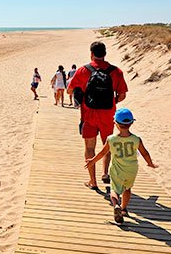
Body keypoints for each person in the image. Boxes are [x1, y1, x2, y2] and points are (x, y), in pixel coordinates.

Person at [67, 41, 128, 189]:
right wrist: (111, 102)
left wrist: (82, 95)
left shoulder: (83, 71)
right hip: (108, 115)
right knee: (107, 145)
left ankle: (92, 181)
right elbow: (122, 95)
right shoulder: (116, 71)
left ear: (91, 54)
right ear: (105, 54)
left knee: (89, 148)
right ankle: (105, 173)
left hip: (88, 115)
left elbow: (69, 91)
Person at [85, 108, 156, 224]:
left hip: (117, 169)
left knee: (114, 190)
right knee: (127, 188)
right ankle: (123, 208)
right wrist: (150, 163)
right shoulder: (136, 139)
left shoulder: (111, 139)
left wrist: (92, 161)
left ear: (115, 123)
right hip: (132, 169)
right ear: (131, 123)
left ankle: (116, 205)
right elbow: (145, 153)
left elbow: (103, 153)